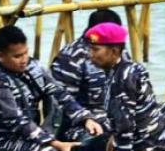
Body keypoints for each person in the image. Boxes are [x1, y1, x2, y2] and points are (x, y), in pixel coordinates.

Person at [0, 25, 104, 151]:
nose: (24, 59)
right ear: (1, 56)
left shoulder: (33, 67)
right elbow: (18, 122)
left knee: (93, 135)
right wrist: (55, 143)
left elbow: (59, 92)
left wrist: (85, 118)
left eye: (25, 53)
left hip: (33, 135)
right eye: (17, 56)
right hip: (3, 143)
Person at [84, 22, 165, 151]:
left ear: (114, 51)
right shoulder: (132, 68)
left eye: (96, 50)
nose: (90, 55)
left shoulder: (120, 80)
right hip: (157, 149)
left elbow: (125, 126)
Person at [51, 8, 129, 140]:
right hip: (84, 125)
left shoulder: (118, 51)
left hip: (118, 116)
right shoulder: (71, 57)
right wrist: (85, 118)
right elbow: (60, 102)